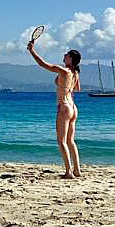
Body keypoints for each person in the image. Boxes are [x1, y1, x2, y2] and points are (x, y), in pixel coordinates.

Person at [27, 39, 82, 179]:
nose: (64, 55)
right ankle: (77, 170)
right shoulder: (75, 73)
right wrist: (66, 88)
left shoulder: (64, 71)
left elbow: (43, 64)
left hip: (64, 107)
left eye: (67, 55)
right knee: (71, 141)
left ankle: (69, 172)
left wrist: (32, 51)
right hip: (73, 107)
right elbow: (77, 89)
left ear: (71, 59)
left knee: (62, 141)